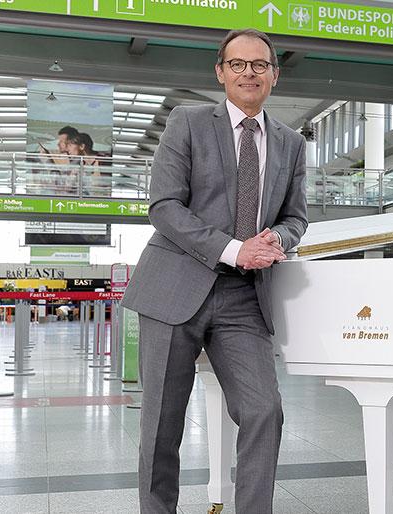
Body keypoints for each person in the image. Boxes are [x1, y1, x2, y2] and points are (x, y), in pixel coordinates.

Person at [121, 28, 308, 514]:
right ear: (221, 71)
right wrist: (232, 249)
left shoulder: (290, 142)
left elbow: (296, 218)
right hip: (174, 289)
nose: (250, 72)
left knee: (264, 409)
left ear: (274, 75)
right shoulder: (187, 122)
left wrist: (276, 240)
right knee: (163, 424)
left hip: (245, 299)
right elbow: (163, 206)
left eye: (260, 64)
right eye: (239, 64)